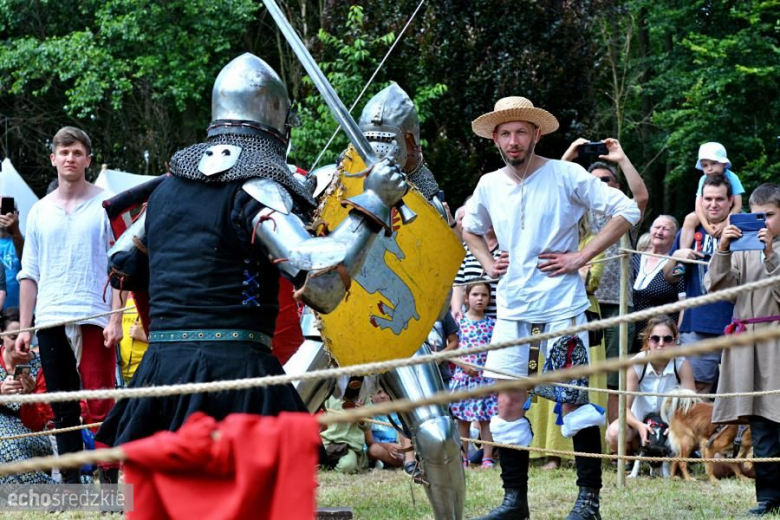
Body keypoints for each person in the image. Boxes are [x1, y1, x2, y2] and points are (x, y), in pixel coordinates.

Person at [96, 54, 407, 447]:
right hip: (234, 373)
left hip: (162, 367)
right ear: (278, 126)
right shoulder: (257, 189)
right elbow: (322, 283)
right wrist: (376, 202)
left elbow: (122, 262)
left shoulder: (164, 191)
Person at [283, 83, 465, 519]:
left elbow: (433, 282)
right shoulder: (329, 179)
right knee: (274, 418)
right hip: (329, 326)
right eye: (374, 140)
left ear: (411, 143)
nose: (382, 151)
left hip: (403, 333)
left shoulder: (429, 203)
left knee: (438, 434)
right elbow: (298, 245)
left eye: (391, 142)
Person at [463, 96, 640, 520]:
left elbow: (628, 209)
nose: (512, 140)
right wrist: (489, 263)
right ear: (495, 138)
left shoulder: (566, 174)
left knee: (574, 402)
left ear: (536, 134)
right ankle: (514, 502)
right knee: (507, 404)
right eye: (504, 133)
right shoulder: (489, 184)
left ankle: (588, 502)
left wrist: (582, 257)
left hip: (563, 309)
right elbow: (468, 227)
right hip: (511, 311)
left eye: (520, 131)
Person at [15, 126, 123, 484]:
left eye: (77, 152)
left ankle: (109, 484)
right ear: (53, 159)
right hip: (50, 318)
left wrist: (117, 318)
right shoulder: (39, 212)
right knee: (62, 406)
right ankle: (73, 488)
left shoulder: (107, 204)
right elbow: (29, 273)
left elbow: (121, 265)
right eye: (63, 152)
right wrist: (26, 328)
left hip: (95, 314)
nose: (70, 158)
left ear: (87, 160)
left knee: (101, 402)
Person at [706, 182, 780, 516]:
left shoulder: (768, 248)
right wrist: (722, 249)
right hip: (747, 340)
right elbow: (719, 289)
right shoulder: (744, 246)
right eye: (758, 215)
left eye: (770, 215)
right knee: (761, 421)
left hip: (775, 340)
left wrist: (770, 255)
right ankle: (767, 497)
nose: (763, 222)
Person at [562, 137, 648, 425]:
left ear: (617, 186)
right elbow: (548, 191)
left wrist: (621, 158)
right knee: (576, 375)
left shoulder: (626, 215)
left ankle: (612, 443)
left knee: (613, 381)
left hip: (618, 307)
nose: (599, 184)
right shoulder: (577, 213)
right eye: (593, 180)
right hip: (580, 304)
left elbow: (642, 198)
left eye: (606, 180)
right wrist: (569, 156)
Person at [526, 215, 608, 471]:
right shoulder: (542, 243)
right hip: (545, 313)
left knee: (577, 385)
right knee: (548, 380)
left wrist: (575, 268)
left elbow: (590, 281)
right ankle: (548, 452)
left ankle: (580, 456)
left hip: (580, 314)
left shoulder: (592, 241)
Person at [664, 174, 736, 393]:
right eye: (708, 199)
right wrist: (677, 255)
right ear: (701, 200)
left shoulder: (741, 230)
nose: (713, 204)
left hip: (738, 323)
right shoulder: (691, 231)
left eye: (719, 199)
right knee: (697, 392)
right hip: (698, 325)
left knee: (738, 394)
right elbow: (671, 276)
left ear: (730, 201)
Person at [604, 316, 695, 454]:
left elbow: (692, 407)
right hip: (637, 423)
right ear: (648, 340)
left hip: (671, 426)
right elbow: (624, 408)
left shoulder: (682, 364)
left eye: (667, 339)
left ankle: (674, 456)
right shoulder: (637, 363)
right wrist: (639, 426)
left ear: (675, 340)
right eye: (655, 339)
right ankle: (629, 455)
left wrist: (677, 426)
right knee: (614, 433)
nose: (661, 343)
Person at [0, 307, 55, 484]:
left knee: (7, 443)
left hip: (33, 436)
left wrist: (28, 397)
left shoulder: (41, 367)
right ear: (1, 335)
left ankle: (49, 489)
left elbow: (39, 425)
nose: (20, 344)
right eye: (13, 337)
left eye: (25, 337)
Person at [449, 281, 498, 469]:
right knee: (463, 420)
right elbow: (453, 350)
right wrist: (464, 365)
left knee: (486, 420)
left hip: (485, 379)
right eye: (476, 294)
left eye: (484, 295)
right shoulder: (459, 322)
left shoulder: (493, 324)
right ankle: (463, 456)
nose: (480, 299)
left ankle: (487, 456)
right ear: (467, 298)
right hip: (464, 378)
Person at [679, 142, 744, 249]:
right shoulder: (703, 179)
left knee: (745, 220)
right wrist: (707, 227)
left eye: (713, 163)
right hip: (707, 214)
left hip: (732, 213)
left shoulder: (732, 177)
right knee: (690, 219)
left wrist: (725, 223)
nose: (709, 168)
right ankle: (683, 253)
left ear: (723, 163)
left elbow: (738, 205)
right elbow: (698, 206)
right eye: (705, 165)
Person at [631, 215, 682, 350]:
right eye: (657, 227)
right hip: (629, 335)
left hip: (660, 340)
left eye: (665, 229)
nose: (659, 232)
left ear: (675, 236)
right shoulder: (634, 260)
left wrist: (678, 334)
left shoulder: (678, 266)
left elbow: (684, 303)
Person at [451, 226, 500, 321]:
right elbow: (458, 282)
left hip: (500, 316)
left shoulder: (507, 249)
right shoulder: (466, 248)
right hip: (470, 319)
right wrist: (457, 308)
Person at [118, 293, 149, 384]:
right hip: (121, 374)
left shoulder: (147, 299)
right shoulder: (119, 301)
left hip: (144, 371)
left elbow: (163, 337)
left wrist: (142, 336)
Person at [0, 202, 24, 310]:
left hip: (19, 314)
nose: (4, 214)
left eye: (7, 210)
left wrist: (15, 232)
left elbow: (28, 263)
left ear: (17, 214)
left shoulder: (26, 241)